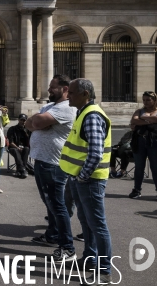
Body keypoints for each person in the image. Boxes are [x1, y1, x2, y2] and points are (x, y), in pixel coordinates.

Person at [60, 78, 113, 284]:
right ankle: (90, 258)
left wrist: (82, 176)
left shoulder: (91, 115)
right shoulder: (83, 112)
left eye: (72, 92)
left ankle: (105, 270)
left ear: (85, 95)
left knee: (97, 224)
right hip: (80, 177)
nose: (68, 95)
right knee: (87, 221)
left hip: (89, 179)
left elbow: (95, 152)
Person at [25, 74, 78, 263]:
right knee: (50, 203)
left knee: (57, 205)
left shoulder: (66, 108)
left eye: (52, 87)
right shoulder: (50, 107)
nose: (49, 90)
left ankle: (68, 247)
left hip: (54, 164)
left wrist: (39, 123)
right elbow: (29, 123)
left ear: (65, 89)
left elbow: (36, 123)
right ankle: (52, 235)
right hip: (42, 160)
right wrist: (39, 123)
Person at [128, 90, 157, 199]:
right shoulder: (139, 111)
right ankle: (136, 190)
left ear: (154, 100)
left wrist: (143, 119)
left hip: (154, 143)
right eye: (144, 100)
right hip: (139, 141)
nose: (145, 102)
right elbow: (134, 121)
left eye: (148, 100)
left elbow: (156, 118)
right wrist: (151, 121)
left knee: (155, 168)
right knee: (139, 167)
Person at [7, 114, 31, 178]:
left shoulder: (28, 130)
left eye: (24, 120)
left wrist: (26, 133)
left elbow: (30, 142)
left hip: (24, 148)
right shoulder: (12, 129)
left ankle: (19, 170)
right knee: (15, 150)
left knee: (26, 149)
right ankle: (23, 169)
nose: (22, 122)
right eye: (21, 120)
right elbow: (11, 142)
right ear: (18, 120)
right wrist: (17, 147)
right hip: (14, 147)